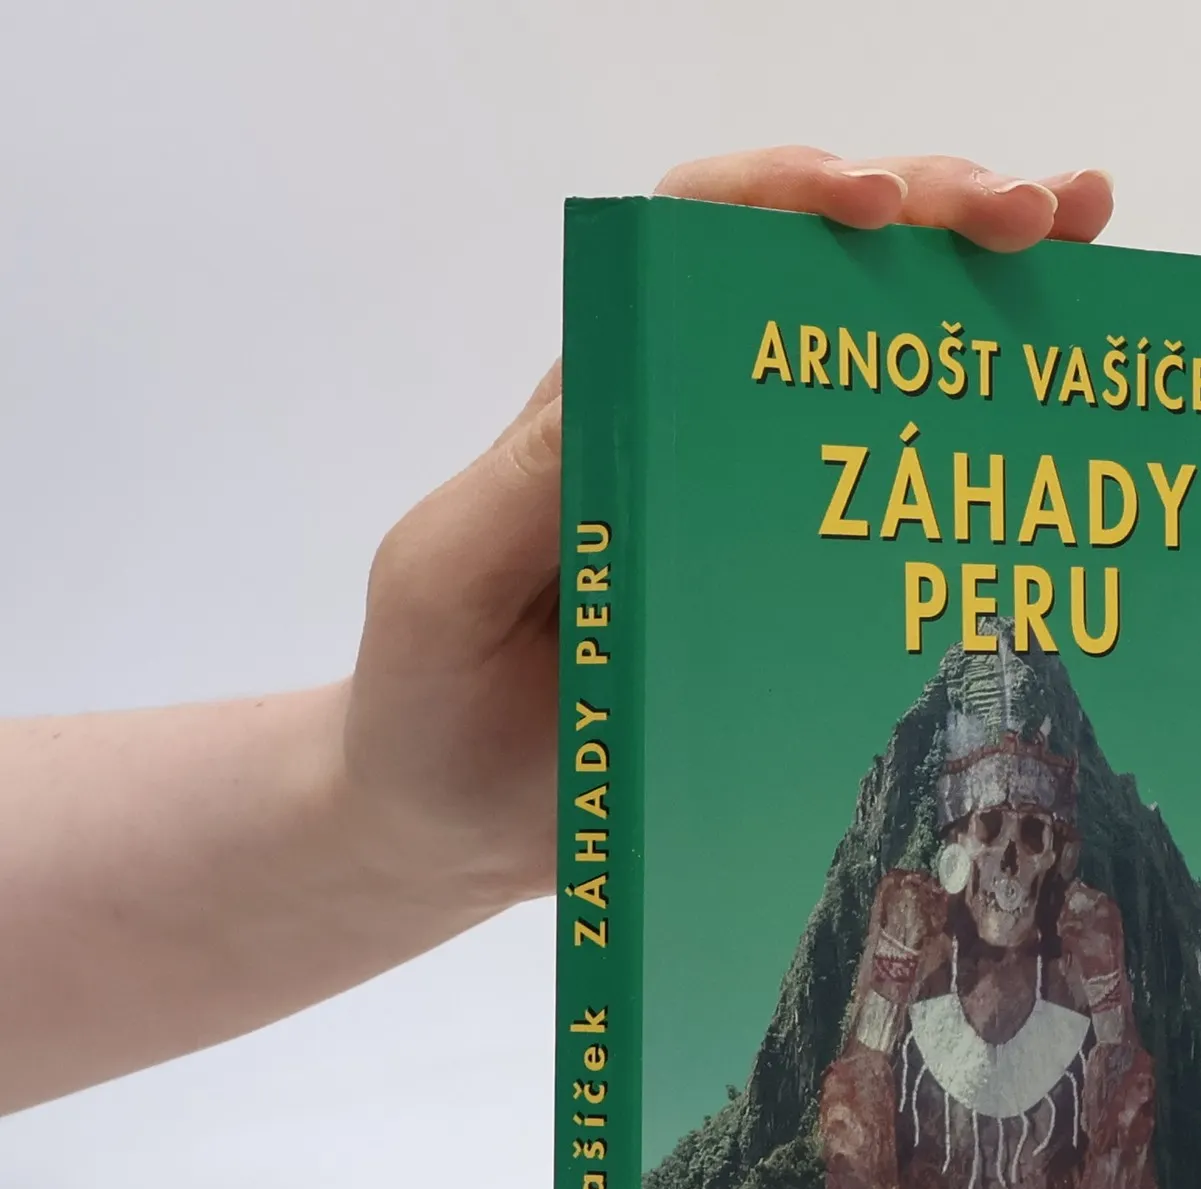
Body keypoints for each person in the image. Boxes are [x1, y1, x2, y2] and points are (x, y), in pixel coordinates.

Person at [0, 148, 1113, 1117]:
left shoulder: (1087, 957)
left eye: (1031, 839)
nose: (1012, 864)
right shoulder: (913, 933)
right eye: (996, 832)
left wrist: (383, 812)